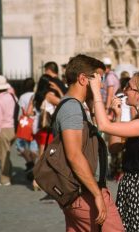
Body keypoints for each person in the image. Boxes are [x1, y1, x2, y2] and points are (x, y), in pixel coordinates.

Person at [89, 70, 139, 231]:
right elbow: (114, 148)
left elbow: (104, 126)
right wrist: (117, 115)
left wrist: (96, 91)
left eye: (129, 87)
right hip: (132, 189)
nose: (125, 90)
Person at [55, 54, 124, 231]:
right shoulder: (71, 109)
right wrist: (97, 195)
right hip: (86, 193)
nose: (101, 85)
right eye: (98, 79)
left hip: (81, 192)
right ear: (83, 79)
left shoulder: (78, 107)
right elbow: (74, 155)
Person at [0, 75, 17, 186]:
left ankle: (4, 179)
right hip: (14, 128)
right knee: (7, 153)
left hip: (4, 129)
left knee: (3, 155)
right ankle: (8, 175)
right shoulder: (13, 96)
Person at [15, 78, 38, 180]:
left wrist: (17, 122)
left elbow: (20, 111)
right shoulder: (37, 96)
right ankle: (34, 166)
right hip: (35, 123)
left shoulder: (22, 97)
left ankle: (30, 164)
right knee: (34, 146)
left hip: (25, 123)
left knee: (20, 145)